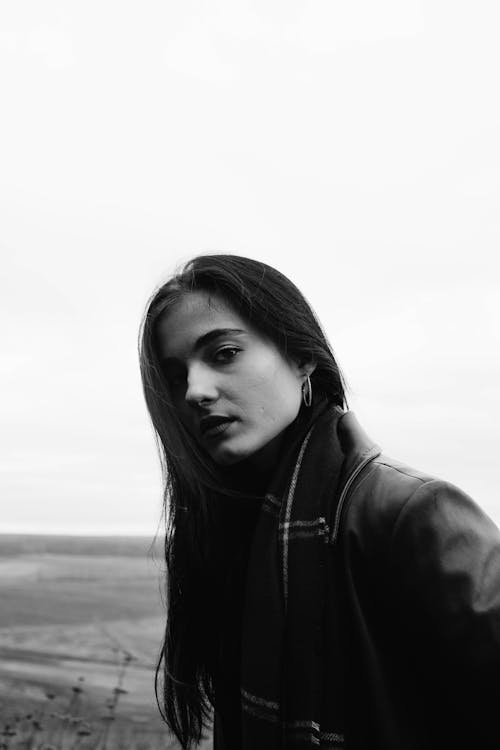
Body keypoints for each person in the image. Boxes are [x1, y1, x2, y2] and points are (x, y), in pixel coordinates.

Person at [139, 254, 500, 750]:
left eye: (223, 353)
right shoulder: (231, 534)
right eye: (176, 375)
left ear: (302, 356)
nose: (195, 391)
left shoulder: (412, 514)